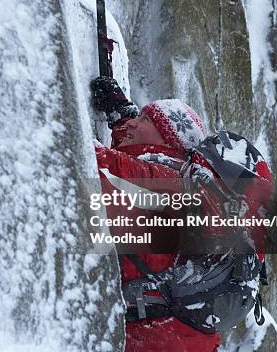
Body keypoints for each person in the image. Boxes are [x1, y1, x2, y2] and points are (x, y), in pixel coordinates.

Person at [91, 77, 220, 351]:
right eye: (139, 116)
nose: (134, 123)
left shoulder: (165, 184)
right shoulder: (178, 180)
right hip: (176, 335)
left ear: (168, 140)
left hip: (159, 339)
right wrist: (123, 116)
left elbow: (99, 165)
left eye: (146, 121)